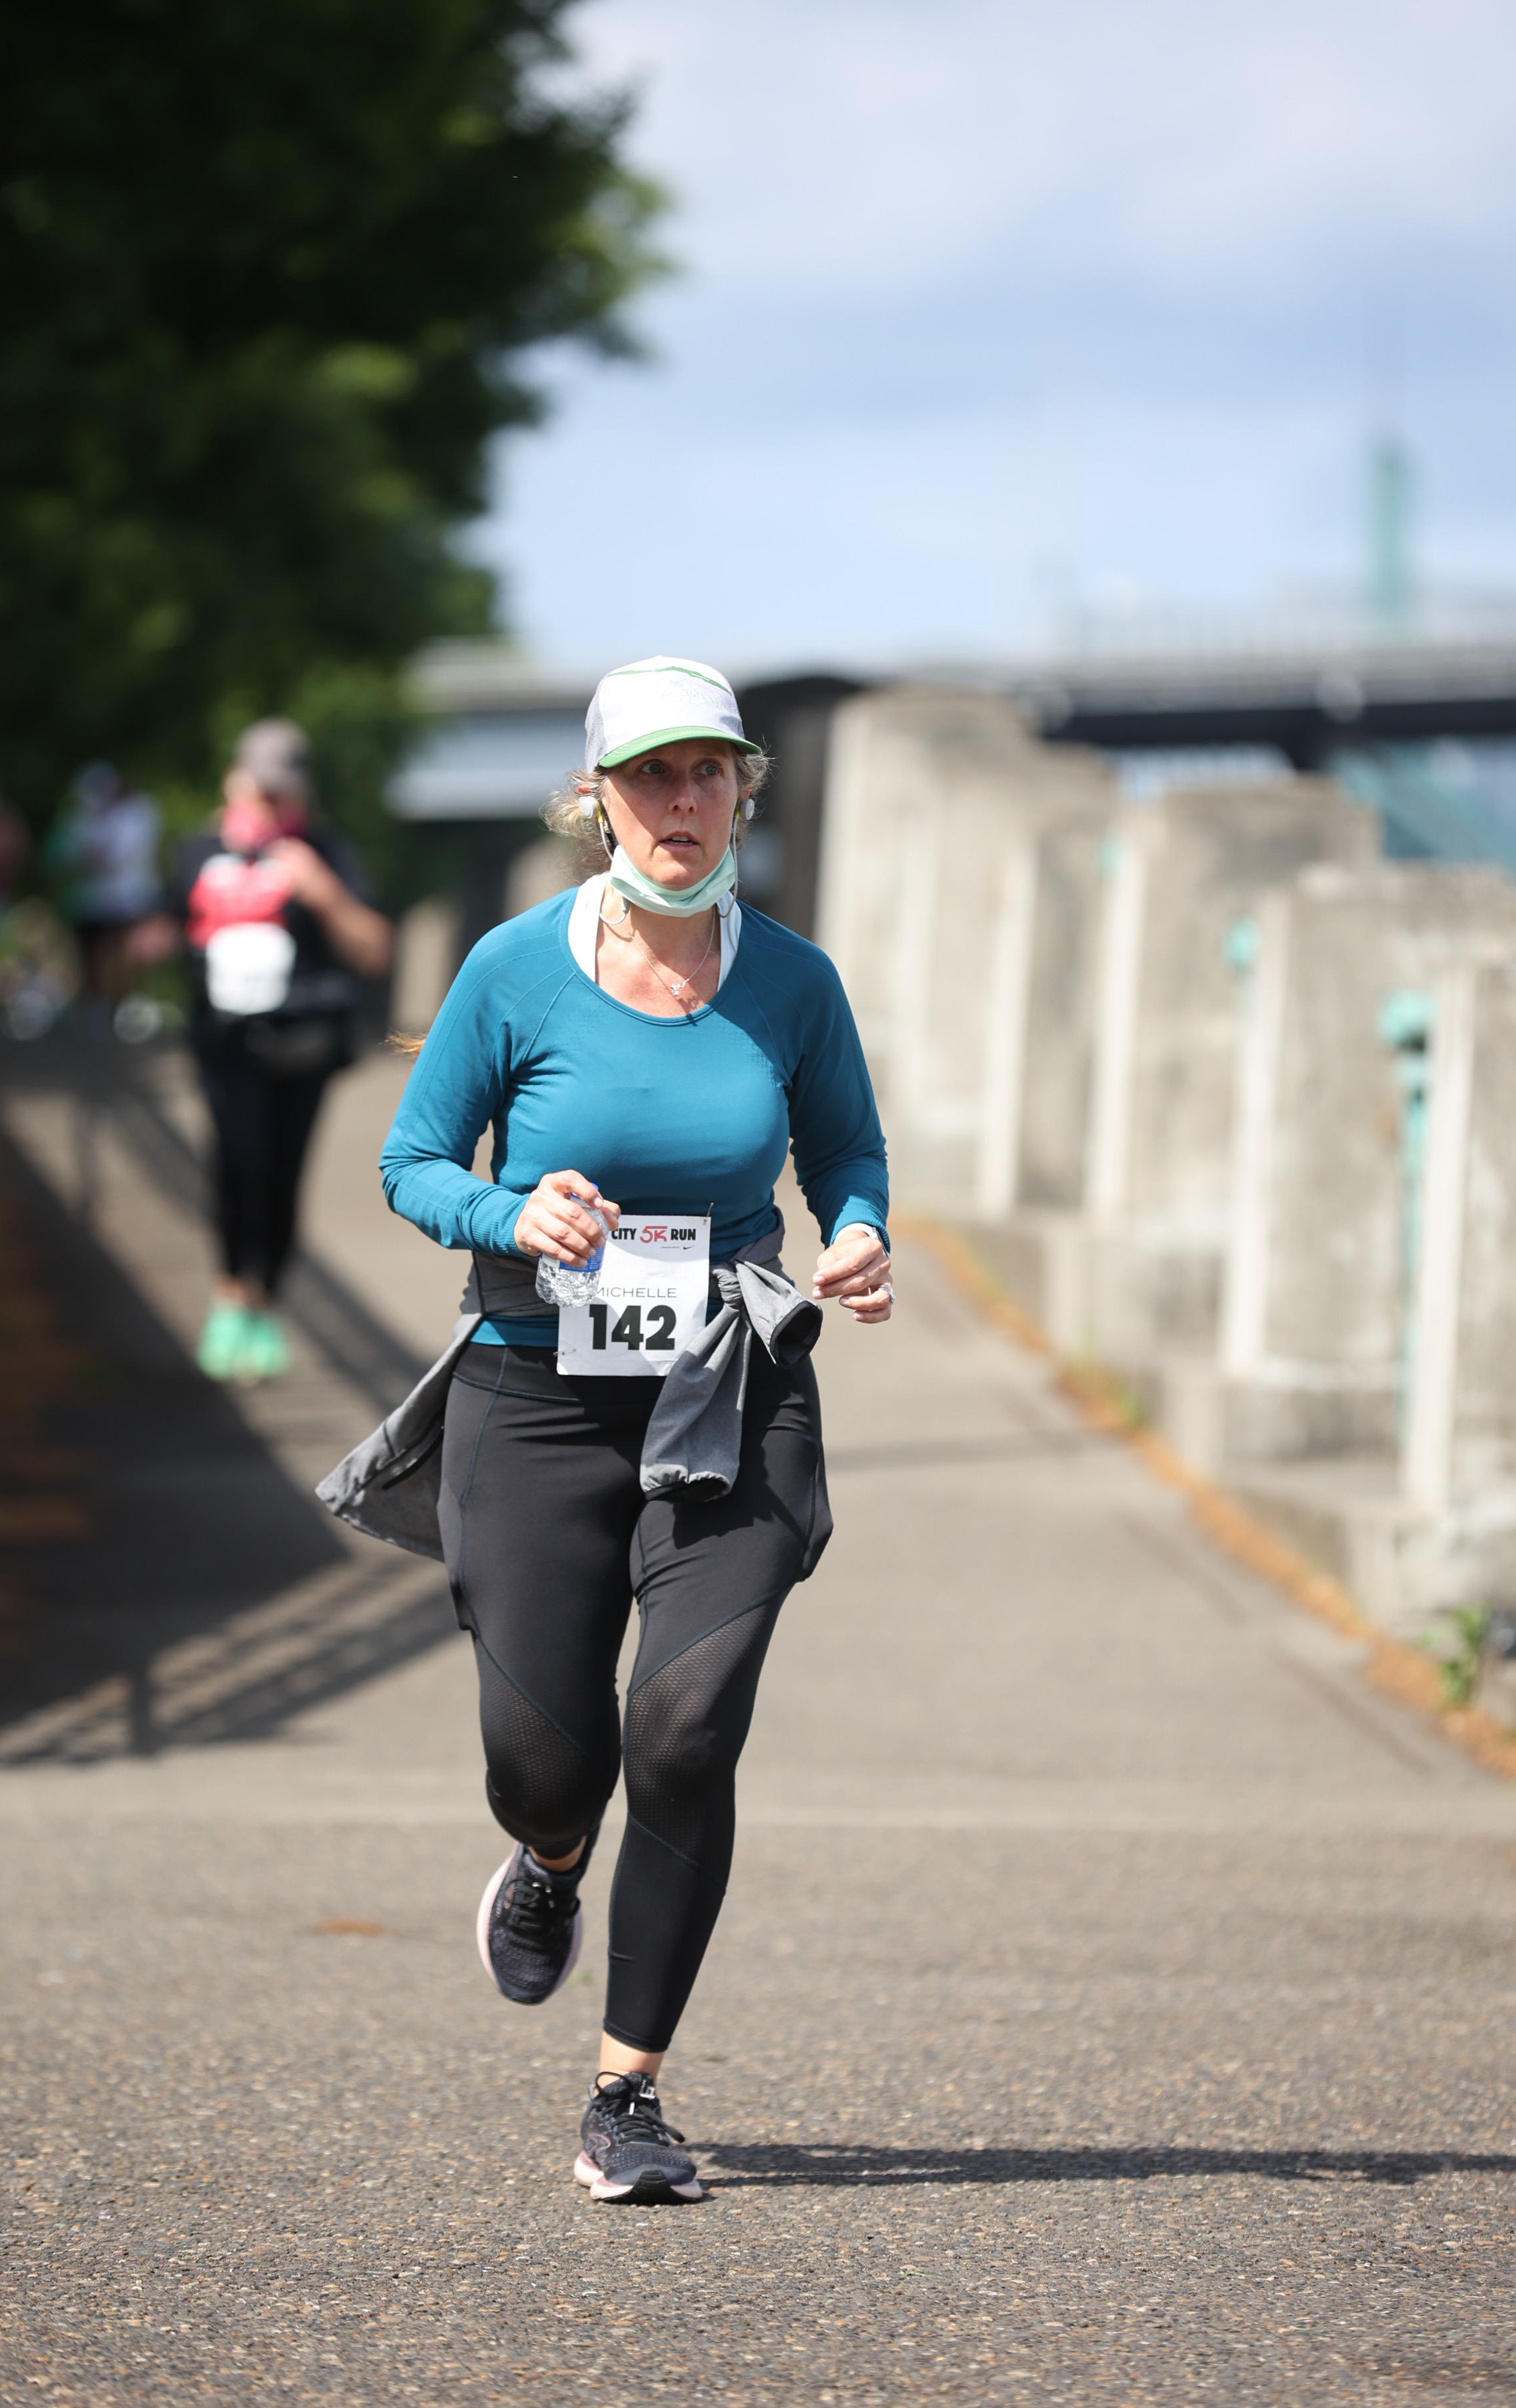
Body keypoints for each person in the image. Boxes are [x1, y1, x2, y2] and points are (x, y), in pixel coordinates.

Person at [334, 657, 892, 2204]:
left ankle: (626, 2095)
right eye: (650, 774)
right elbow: (412, 1161)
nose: (681, 801)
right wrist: (513, 1212)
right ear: (597, 801)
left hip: (733, 1380)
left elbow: (848, 1152)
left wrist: (857, 1233)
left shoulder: (793, 981)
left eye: (709, 771)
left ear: (743, 793)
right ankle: (549, 1859)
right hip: (536, 1391)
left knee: (687, 1729)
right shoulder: (515, 970)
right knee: (545, 1760)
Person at [150, 720, 392, 1382]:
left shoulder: (326, 851)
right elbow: (166, 925)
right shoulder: (198, 849)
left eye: (282, 794)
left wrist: (321, 889)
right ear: (235, 783)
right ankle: (231, 1294)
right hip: (225, 1042)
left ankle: (264, 1306)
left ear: (303, 793)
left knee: (284, 1175)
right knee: (239, 1162)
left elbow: (375, 949)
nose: (269, 806)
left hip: (304, 1042)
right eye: (260, 791)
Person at [46, 762, 163, 1024]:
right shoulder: (82, 817)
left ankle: (128, 1005)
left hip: (129, 899)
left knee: (128, 953)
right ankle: (97, 1005)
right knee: (93, 955)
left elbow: (110, 857)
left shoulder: (137, 813)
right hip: (92, 902)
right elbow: (66, 857)